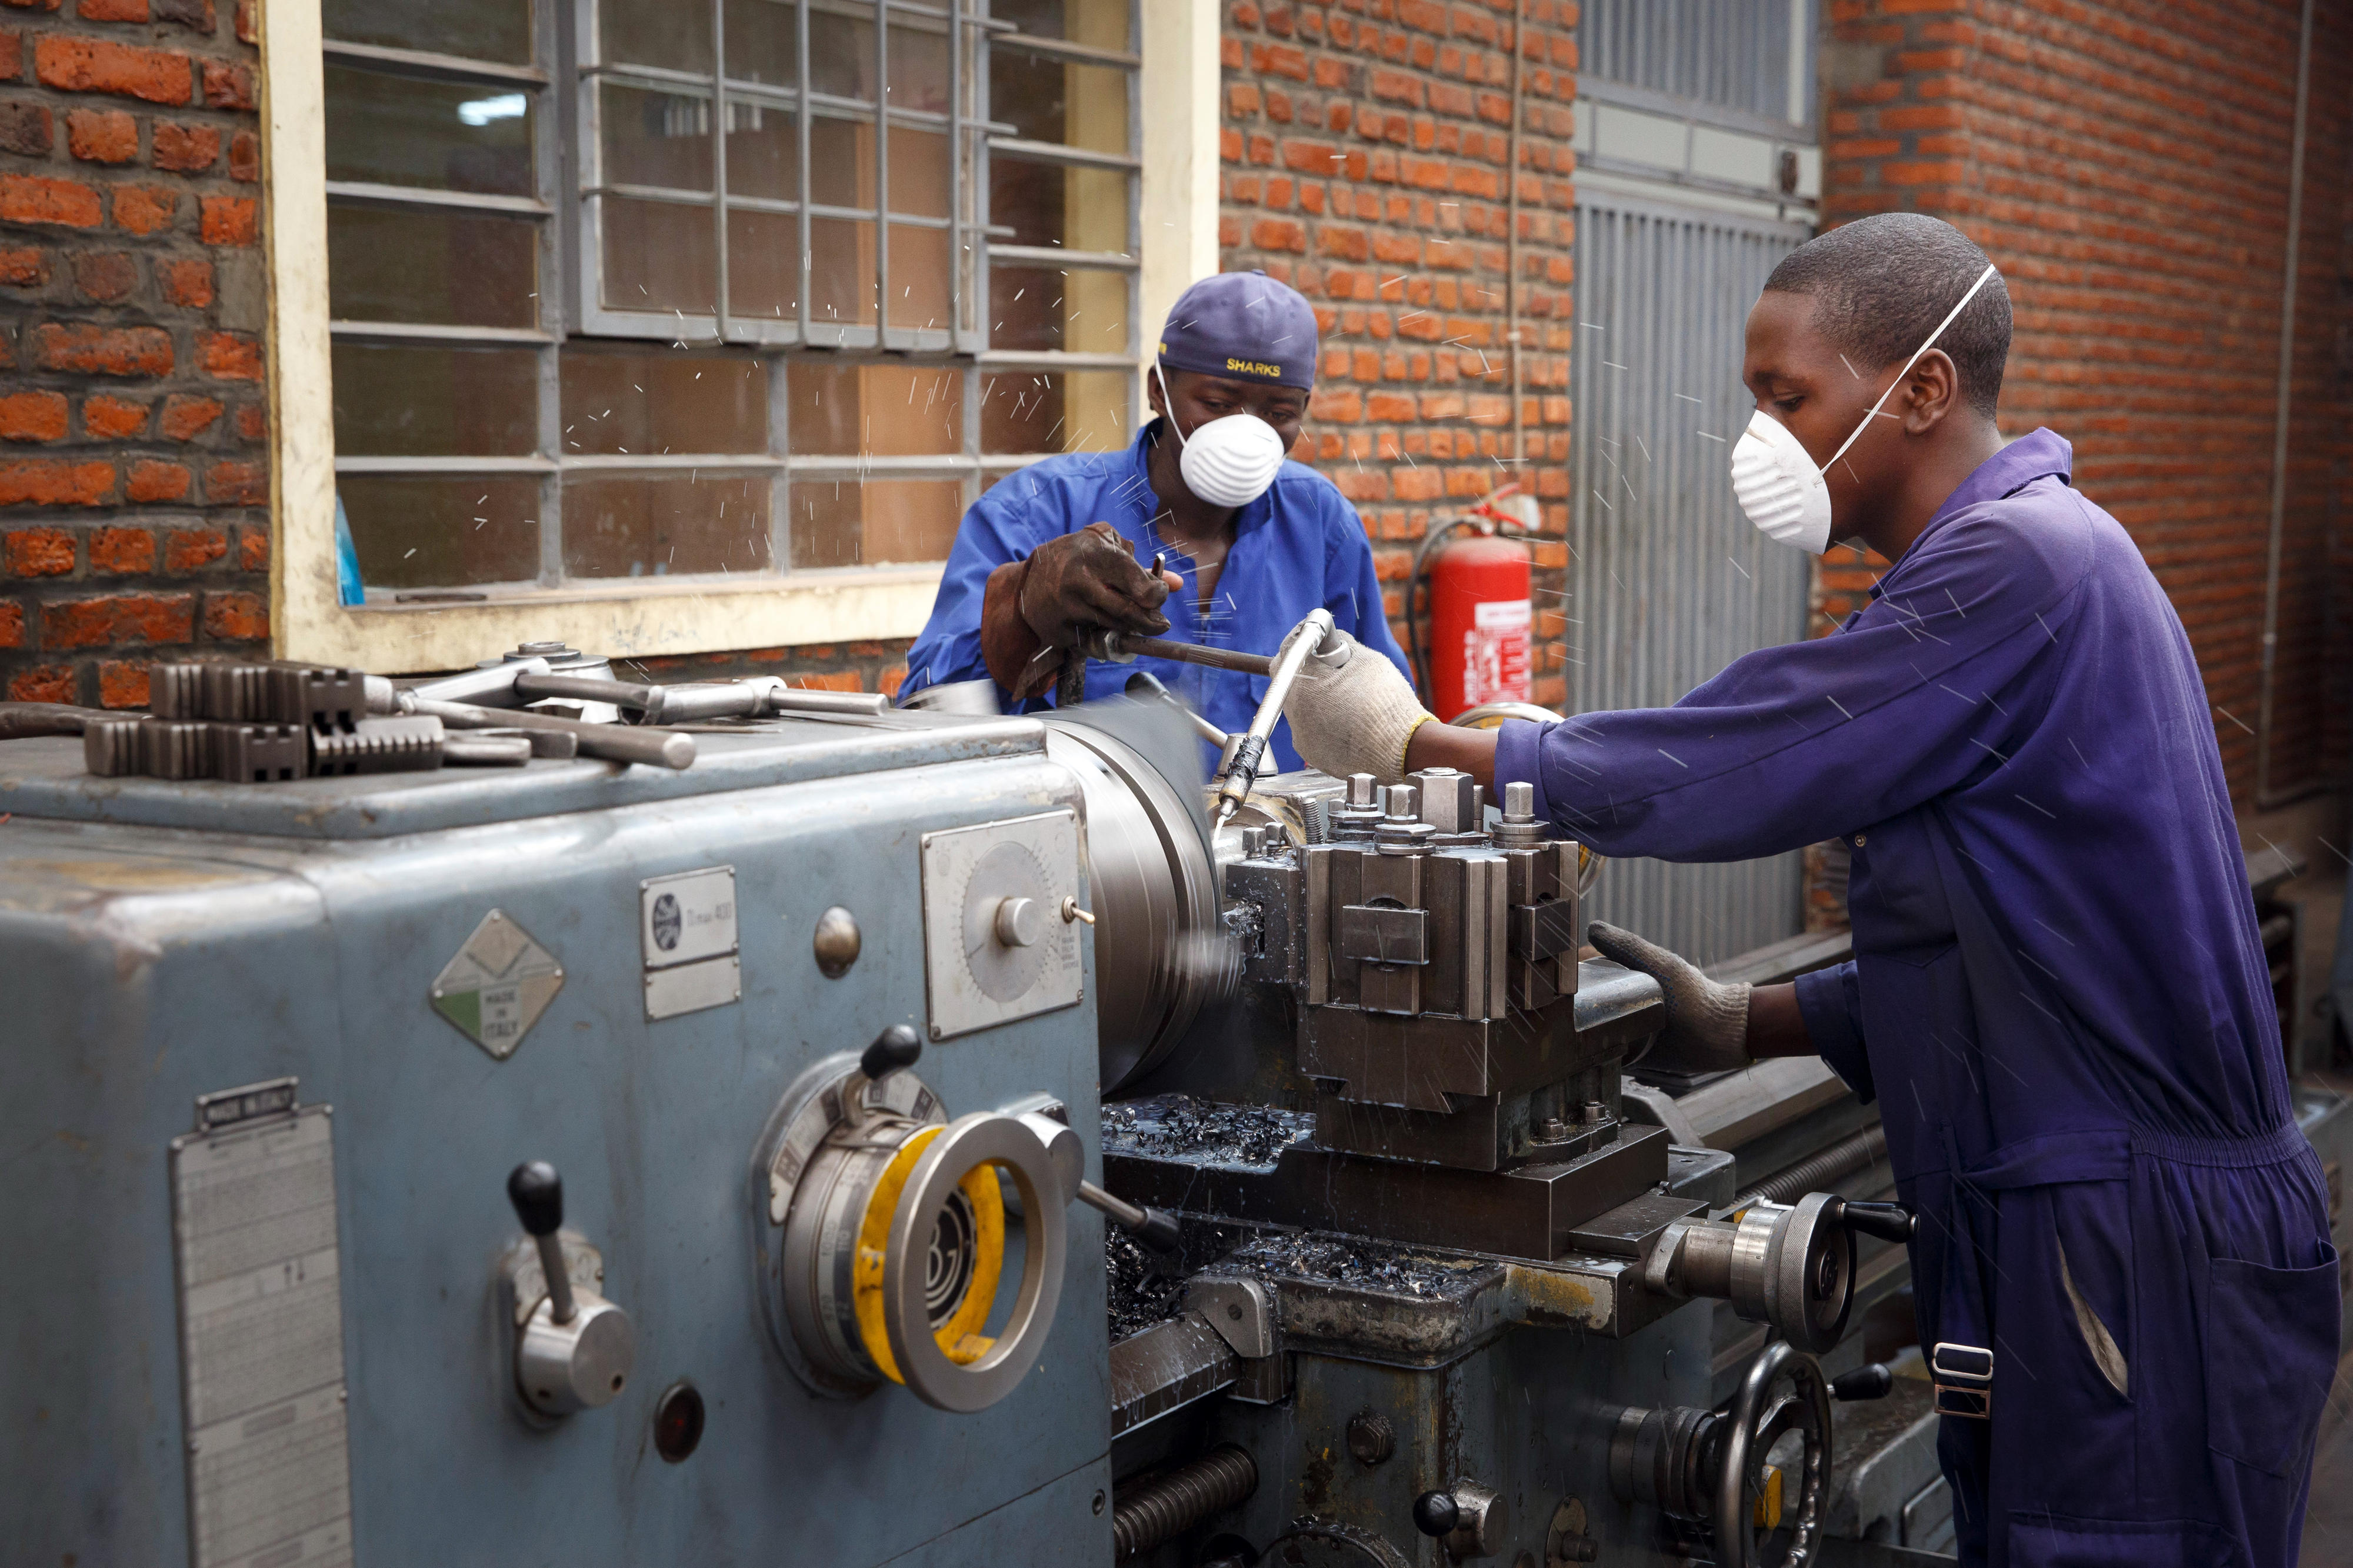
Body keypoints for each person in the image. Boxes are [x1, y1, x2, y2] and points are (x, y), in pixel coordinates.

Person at [1280, 213, 2338, 1567]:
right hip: (2088, 1221)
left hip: (2130, 1242)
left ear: (1922, 389)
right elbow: (2004, 951)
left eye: (1789, 398)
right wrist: (1748, 1017)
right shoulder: (2026, 564)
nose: (1760, 438)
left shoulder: (2020, 567)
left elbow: (1760, 751)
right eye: (1751, 400)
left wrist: (1433, 746)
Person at [897, 271, 1409, 769]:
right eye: (1217, 404)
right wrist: (1022, 610)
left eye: (1279, 413)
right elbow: (933, 713)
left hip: (1273, 839)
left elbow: (1379, 716)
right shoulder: (1033, 511)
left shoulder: (1321, 524)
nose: (1247, 434)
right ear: (1159, 390)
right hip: (1096, 839)